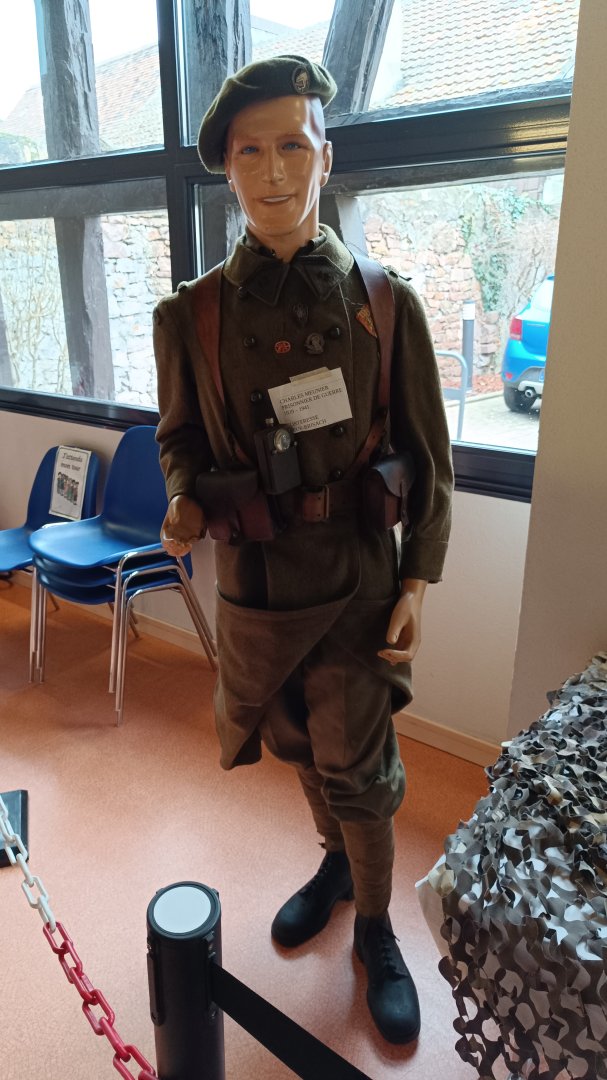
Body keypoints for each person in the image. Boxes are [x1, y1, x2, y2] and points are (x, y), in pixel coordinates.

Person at [153, 54, 453, 1045]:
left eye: (293, 144)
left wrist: (417, 578)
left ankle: (375, 928)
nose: (274, 170)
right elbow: (178, 439)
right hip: (254, 583)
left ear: (327, 155)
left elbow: (429, 455)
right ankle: (333, 865)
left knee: (359, 767)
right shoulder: (190, 314)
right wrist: (183, 500)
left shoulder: (385, 303)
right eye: (251, 151)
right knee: (294, 744)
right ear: (226, 169)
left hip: (357, 577)